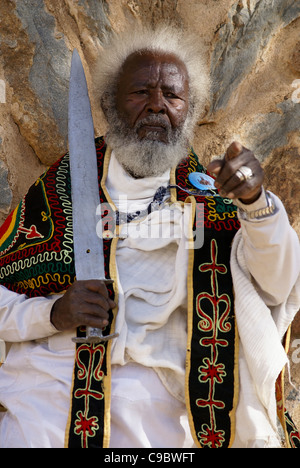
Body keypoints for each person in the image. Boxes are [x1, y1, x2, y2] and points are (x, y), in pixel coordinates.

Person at [0, 24, 299, 449]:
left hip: (172, 405)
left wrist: (256, 205)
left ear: (188, 111)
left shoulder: (215, 200)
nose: (157, 106)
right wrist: (53, 314)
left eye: (172, 96)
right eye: (141, 92)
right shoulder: (61, 192)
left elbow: (278, 285)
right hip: (54, 389)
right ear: (110, 105)